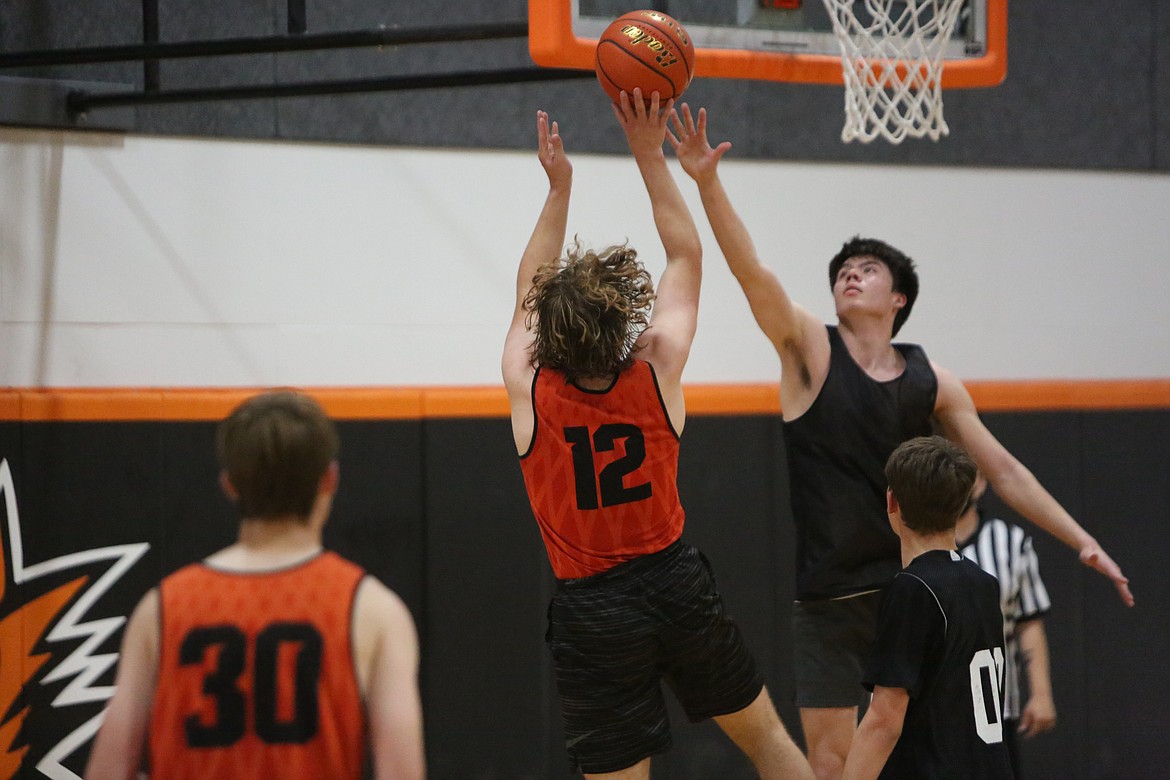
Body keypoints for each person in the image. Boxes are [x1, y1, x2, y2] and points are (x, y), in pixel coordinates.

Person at [665, 103, 1133, 780]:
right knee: (832, 766)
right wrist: (708, 182)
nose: (850, 274)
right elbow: (751, 273)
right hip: (827, 599)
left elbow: (1002, 468)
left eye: (868, 269)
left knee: (921, 752)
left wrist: (1080, 539)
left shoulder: (931, 377)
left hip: (908, 590)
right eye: (842, 270)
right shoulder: (808, 351)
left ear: (900, 299)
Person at [502, 92, 814, 780]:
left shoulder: (531, 385)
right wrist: (649, 152)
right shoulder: (656, 365)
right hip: (675, 583)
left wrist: (559, 190)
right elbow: (685, 253)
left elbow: (528, 287)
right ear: (622, 327)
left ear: (548, 327)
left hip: (591, 608)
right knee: (766, 742)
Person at [85, 390, 425, 780]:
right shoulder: (374, 610)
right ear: (329, 480)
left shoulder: (161, 607)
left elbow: (108, 770)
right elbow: (402, 771)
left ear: (230, 485)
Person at [841, 435, 1014, 780]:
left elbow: (884, 719)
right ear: (960, 504)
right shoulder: (983, 583)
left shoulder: (912, 589)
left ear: (892, 501)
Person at [956, 474, 1056, 776]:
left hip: (996, 704)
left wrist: (1041, 693)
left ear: (982, 482)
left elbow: (1029, 622)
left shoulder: (1011, 542)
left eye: (966, 474)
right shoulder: (909, 543)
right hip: (928, 709)